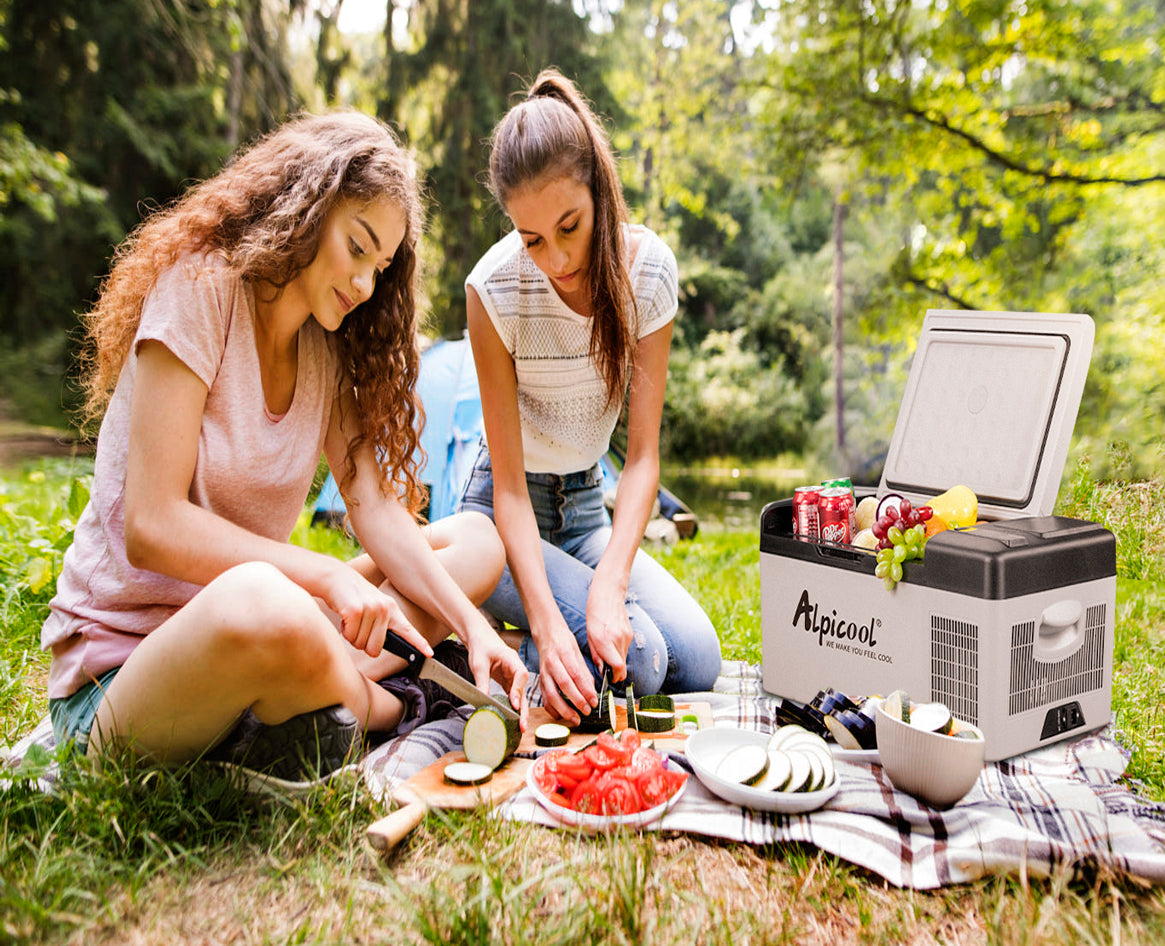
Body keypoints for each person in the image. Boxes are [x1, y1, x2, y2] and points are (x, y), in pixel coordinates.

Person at [41, 111, 527, 786]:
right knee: (268, 602)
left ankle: (315, 689)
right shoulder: (199, 289)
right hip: (123, 678)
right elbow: (150, 527)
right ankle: (387, 707)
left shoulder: (326, 346)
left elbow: (375, 509)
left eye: (379, 268)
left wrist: (470, 629)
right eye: (356, 248)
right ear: (305, 206)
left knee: (476, 541)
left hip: (262, 629)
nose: (363, 286)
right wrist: (322, 577)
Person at [459, 69, 721, 725]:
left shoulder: (649, 272)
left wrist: (608, 582)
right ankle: (504, 642)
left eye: (568, 226)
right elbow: (510, 492)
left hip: (584, 514)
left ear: (598, 192)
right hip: (499, 521)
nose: (553, 258)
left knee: (699, 658)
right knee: (644, 663)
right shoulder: (491, 291)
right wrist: (552, 626)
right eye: (530, 239)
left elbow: (640, 462)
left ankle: (520, 636)